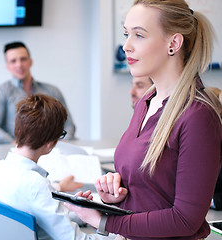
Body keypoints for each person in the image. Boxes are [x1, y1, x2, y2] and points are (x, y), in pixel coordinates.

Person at [65, 1, 222, 239]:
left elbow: (185, 219)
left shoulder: (198, 115)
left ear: (173, 43)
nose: (126, 46)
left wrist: (105, 221)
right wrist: (116, 197)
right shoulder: (146, 101)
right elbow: (152, 191)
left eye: (139, 35)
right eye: (126, 34)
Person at [0, 94, 114, 240]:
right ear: (50, 143)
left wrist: (80, 213)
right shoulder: (35, 184)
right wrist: (116, 234)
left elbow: (42, 214)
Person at [0, 41, 76, 144]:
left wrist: (62, 143)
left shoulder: (52, 91)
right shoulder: (1, 92)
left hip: (52, 151)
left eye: (23, 59)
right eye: (13, 61)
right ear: (8, 66)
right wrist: (14, 144)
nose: (19, 64)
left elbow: (68, 125)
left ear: (30, 62)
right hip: (16, 151)